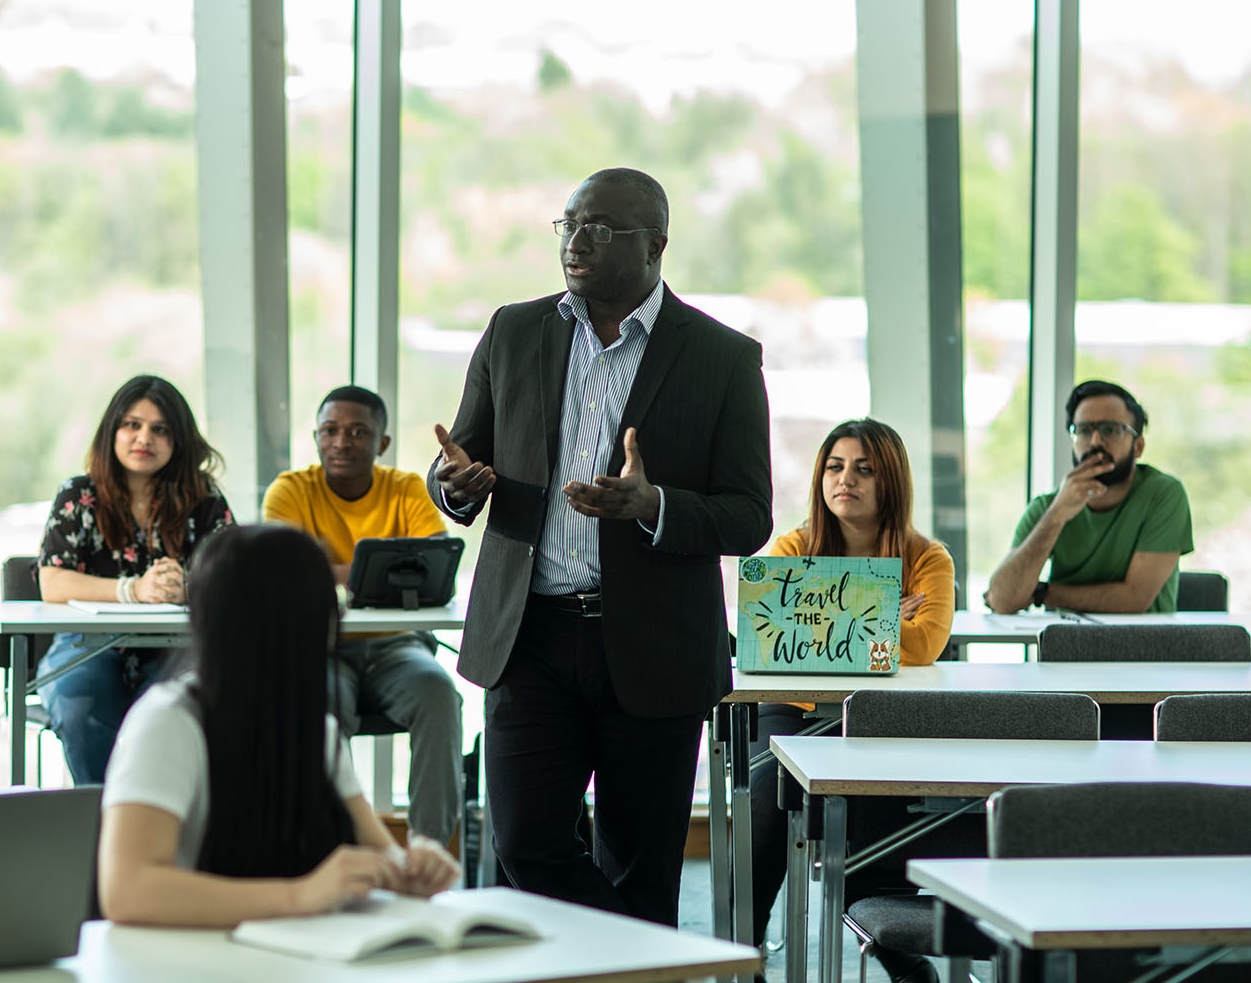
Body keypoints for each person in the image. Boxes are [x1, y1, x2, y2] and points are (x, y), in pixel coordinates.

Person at [427, 167, 772, 925]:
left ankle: (633, 956)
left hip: (654, 645)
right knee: (525, 844)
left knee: (643, 869)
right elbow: (460, 457)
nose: (576, 242)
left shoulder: (722, 357)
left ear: (655, 245)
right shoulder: (513, 331)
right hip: (530, 638)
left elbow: (749, 517)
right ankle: (642, 959)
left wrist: (654, 505)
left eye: (601, 228)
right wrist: (455, 486)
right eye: (570, 224)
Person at [96, 524, 459, 926]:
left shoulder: (315, 728)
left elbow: (379, 851)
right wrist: (301, 895)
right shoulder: (169, 721)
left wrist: (412, 869)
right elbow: (127, 891)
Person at [745, 419, 955, 980]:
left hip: (880, 716)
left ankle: (902, 959)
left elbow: (925, 644)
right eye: (835, 467)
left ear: (891, 482)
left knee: (866, 821)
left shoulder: (928, 558)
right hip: (796, 709)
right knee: (768, 799)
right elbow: (767, 632)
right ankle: (747, 950)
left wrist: (826, 620)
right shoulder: (794, 547)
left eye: (865, 469)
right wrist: (884, 614)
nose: (846, 480)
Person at [262, 385, 465, 846]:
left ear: (382, 443)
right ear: (315, 437)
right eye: (330, 430)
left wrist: (328, 570)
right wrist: (384, 569)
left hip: (398, 646)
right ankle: (337, 846)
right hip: (323, 647)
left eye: (358, 432)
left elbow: (437, 568)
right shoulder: (291, 490)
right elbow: (283, 573)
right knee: (316, 702)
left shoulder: (406, 487)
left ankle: (429, 851)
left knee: (440, 695)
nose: (342, 442)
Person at [35, 375, 234, 784]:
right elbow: (52, 582)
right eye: (132, 425)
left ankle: (161, 817)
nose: (145, 438)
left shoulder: (204, 497)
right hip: (85, 645)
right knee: (81, 707)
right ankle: (101, 816)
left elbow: (236, 577)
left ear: (179, 440)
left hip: (176, 648)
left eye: (160, 430)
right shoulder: (78, 494)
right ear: (112, 430)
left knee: (177, 714)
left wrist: (186, 589)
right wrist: (134, 590)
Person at [984, 379, 1193, 615]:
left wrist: (1042, 593)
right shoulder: (1048, 506)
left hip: (1141, 639)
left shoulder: (1163, 494)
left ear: (1138, 447)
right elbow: (1001, 600)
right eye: (1083, 430)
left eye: (1110, 430)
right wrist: (1056, 515)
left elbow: (1134, 599)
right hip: (1064, 639)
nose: (1094, 442)